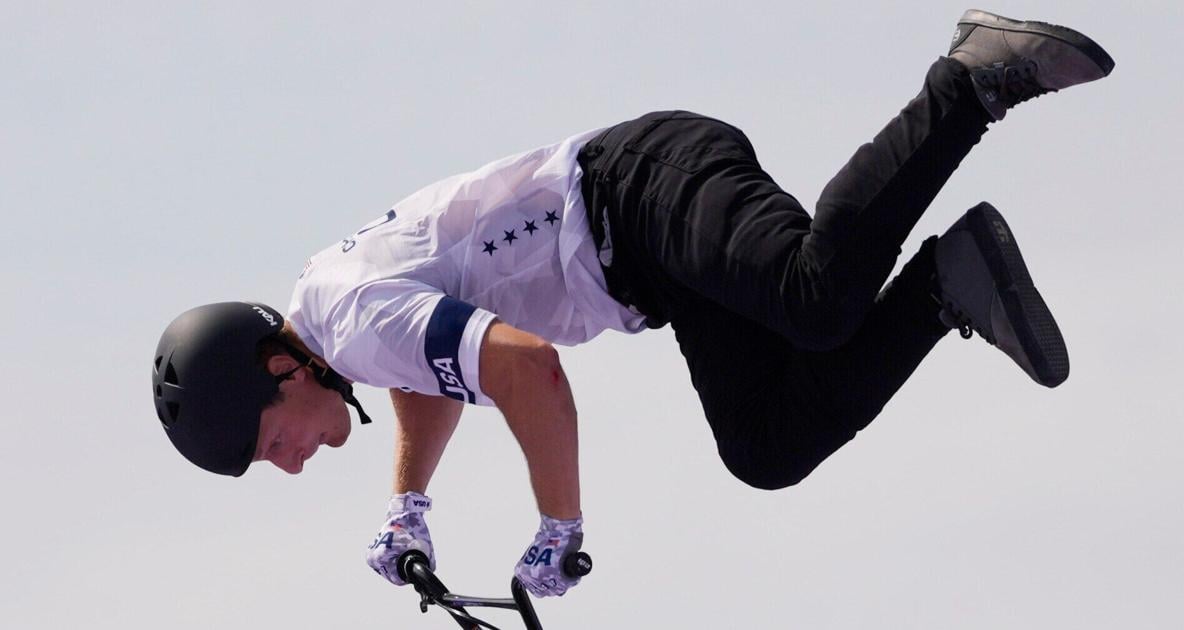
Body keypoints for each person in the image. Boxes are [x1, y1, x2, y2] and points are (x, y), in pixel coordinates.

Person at [151, 10, 1113, 599]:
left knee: (813, 301)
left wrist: (558, 526)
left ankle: (968, 83)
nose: (285, 466)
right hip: (647, 258)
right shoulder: (341, 323)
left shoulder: (345, 321)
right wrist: (409, 502)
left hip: (643, 189)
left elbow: (525, 365)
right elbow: (436, 368)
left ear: (281, 373)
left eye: (267, 445)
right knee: (766, 447)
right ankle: (952, 281)